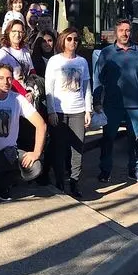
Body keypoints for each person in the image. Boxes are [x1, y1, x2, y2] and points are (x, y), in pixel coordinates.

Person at [93, 19, 138, 185]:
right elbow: (97, 78)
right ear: (116, 32)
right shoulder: (106, 53)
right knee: (108, 139)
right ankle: (105, 170)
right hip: (112, 105)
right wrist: (96, 101)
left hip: (135, 105)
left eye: (128, 30)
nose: (125, 34)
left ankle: (135, 170)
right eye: (122, 30)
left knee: (135, 140)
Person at [0, 63, 47, 201]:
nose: (5, 82)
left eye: (9, 78)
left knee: (35, 168)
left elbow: (41, 125)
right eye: (1, 78)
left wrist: (36, 153)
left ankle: (2, 182)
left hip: (7, 154)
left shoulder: (17, 100)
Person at [45, 28, 92, 198]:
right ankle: (59, 181)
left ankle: (74, 182)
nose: (73, 42)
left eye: (76, 39)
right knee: (59, 148)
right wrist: (51, 111)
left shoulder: (82, 62)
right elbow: (48, 88)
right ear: (63, 41)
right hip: (59, 110)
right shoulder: (54, 61)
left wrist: (88, 109)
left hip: (78, 110)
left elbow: (86, 88)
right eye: (69, 39)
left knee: (77, 148)